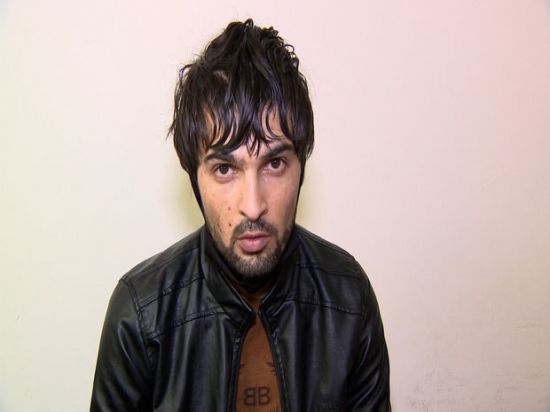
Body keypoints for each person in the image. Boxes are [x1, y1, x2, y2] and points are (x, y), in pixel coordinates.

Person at [91, 19, 390, 411]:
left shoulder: (348, 297)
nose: (252, 205)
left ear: (301, 167)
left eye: (275, 164)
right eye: (225, 169)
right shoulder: (140, 313)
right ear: (194, 178)